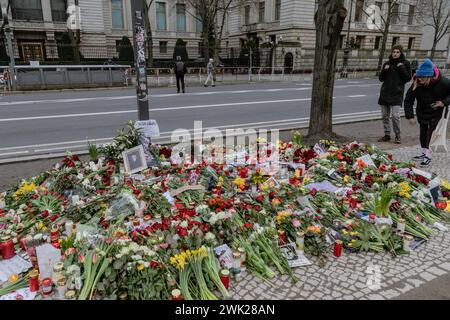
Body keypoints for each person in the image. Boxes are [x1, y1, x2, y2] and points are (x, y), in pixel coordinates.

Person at [404, 58, 450, 167]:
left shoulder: (443, 82)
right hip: (422, 111)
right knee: (423, 133)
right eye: (419, 77)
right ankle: (424, 153)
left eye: (422, 77)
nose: (420, 79)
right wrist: (410, 116)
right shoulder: (416, 83)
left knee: (431, 134)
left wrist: (444, 102)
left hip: (437, 112)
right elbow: (408, 100)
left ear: (429, 76)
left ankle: (428, 156)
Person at [378, 45, 412, 144]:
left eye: (397, 52)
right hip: (385, 93)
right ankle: (387, 135)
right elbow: (381, 79)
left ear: (401, 53)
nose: (395, 54)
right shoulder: (387, 63)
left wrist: (401, 68)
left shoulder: (405, 63)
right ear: (391, 53)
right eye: (393, 52)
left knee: (395, 116)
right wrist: (385, 70)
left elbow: (407, 78)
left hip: (397, 94)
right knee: (385, 116)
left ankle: (398, 135)